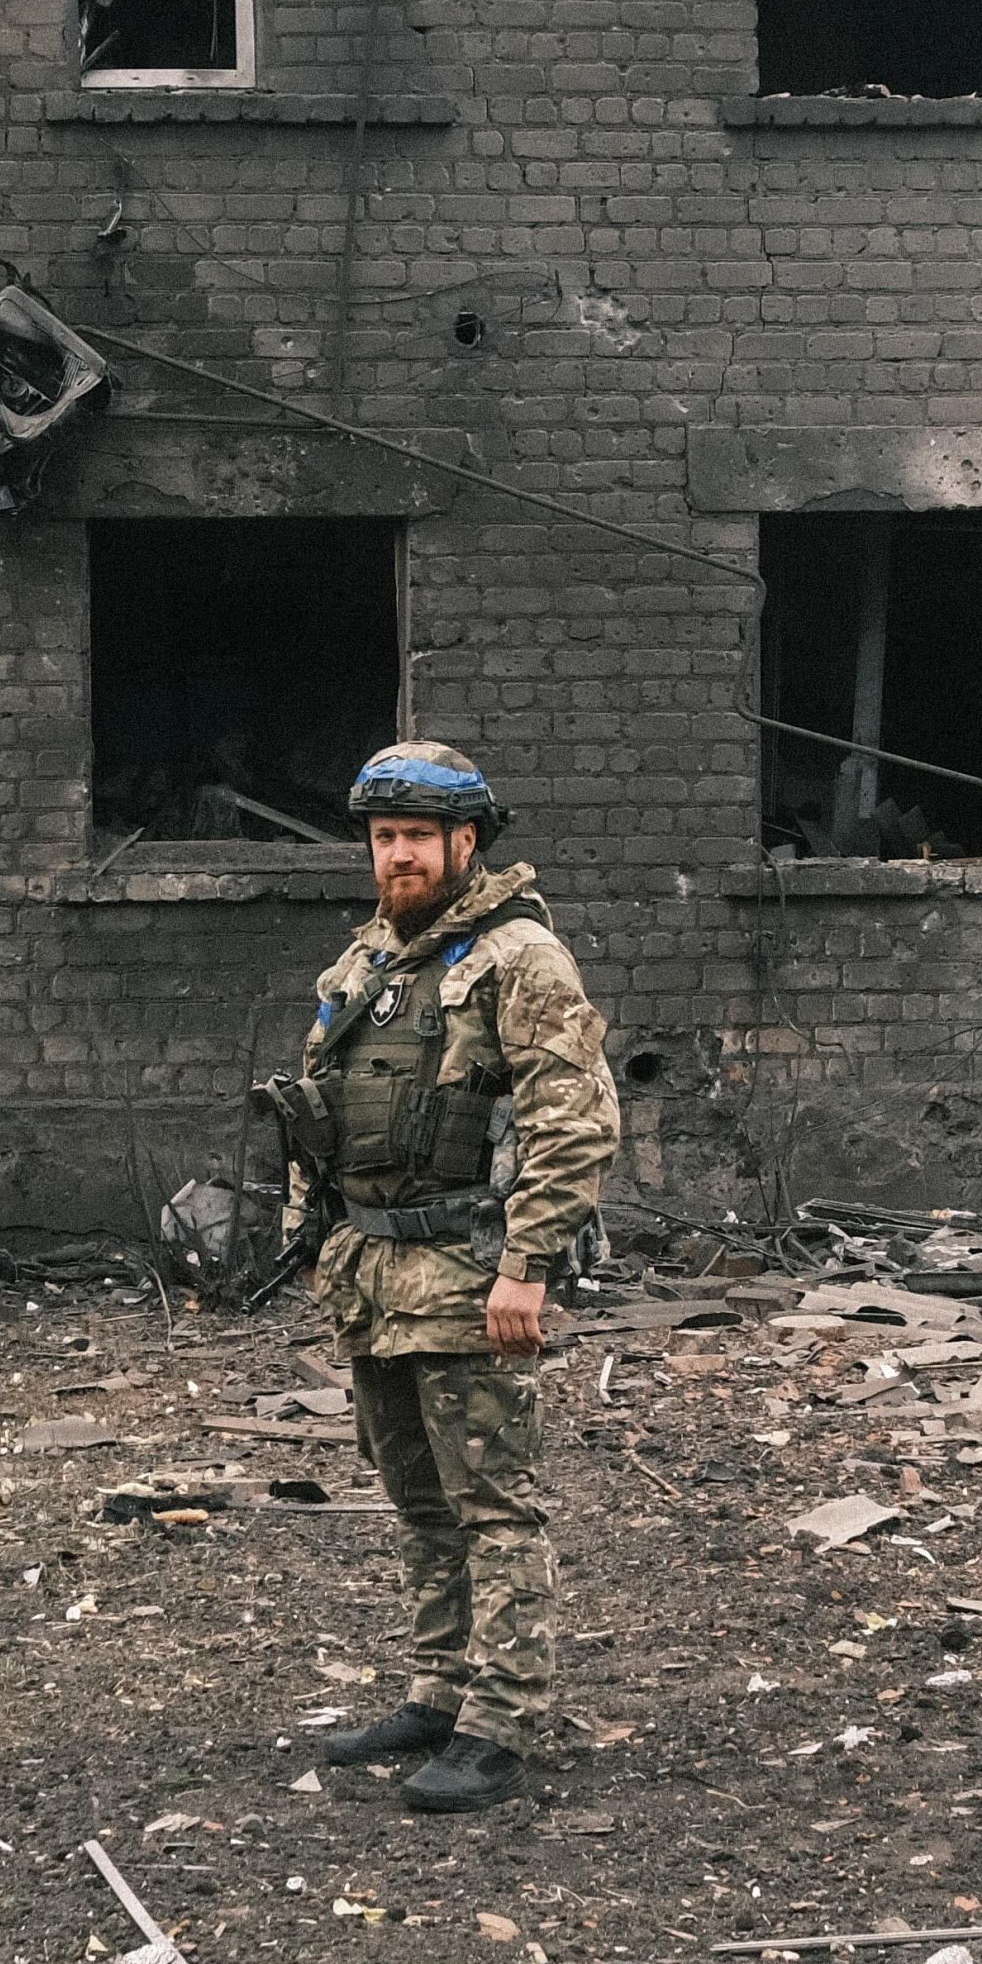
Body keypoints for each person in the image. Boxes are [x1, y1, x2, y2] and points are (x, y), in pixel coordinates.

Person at [255, 741, 616, 1813]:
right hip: (372, 1275)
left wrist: (526, 1270)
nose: (398, 856)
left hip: (466, 1274)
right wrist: (313, 1240)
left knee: (493, 1507)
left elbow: (572, 1124)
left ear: (465, 843)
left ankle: (503, 1719)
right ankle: (439, 1689)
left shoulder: (519, 960)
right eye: (382, 839)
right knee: (417, 1501)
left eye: (417, 837)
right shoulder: (363, 968)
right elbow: (314, 1125)